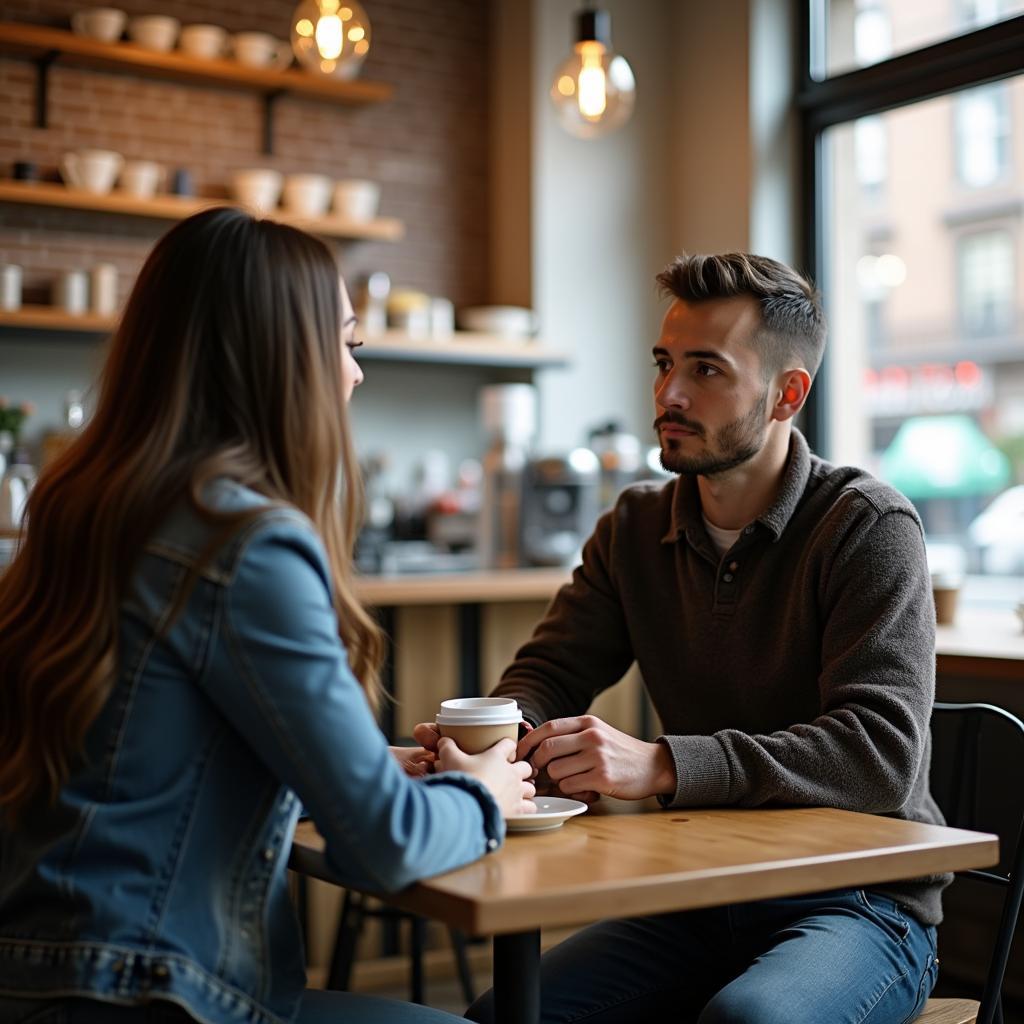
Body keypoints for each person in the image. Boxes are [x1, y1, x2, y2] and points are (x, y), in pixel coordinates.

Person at [0, 207, 535, 1024]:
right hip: (151, 992)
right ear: (281, 357)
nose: (357, 375)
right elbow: (385, 845)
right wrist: (484, 795)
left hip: (46, 972)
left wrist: (370, 764)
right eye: (349, 346)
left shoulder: (85, 508)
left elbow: (152, 758)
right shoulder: (245, 543)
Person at [418, 252, 945, 1024]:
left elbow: (880, 753)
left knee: (748, 1021)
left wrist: (663, 764)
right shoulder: (634, 526)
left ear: (785, 395)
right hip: (700, 895)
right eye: (666, 364)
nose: (668, 393)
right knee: (505, 1016)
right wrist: (501, 738)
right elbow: (549, 670)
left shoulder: (867, 526)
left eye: (706, 370)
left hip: (860, 901)